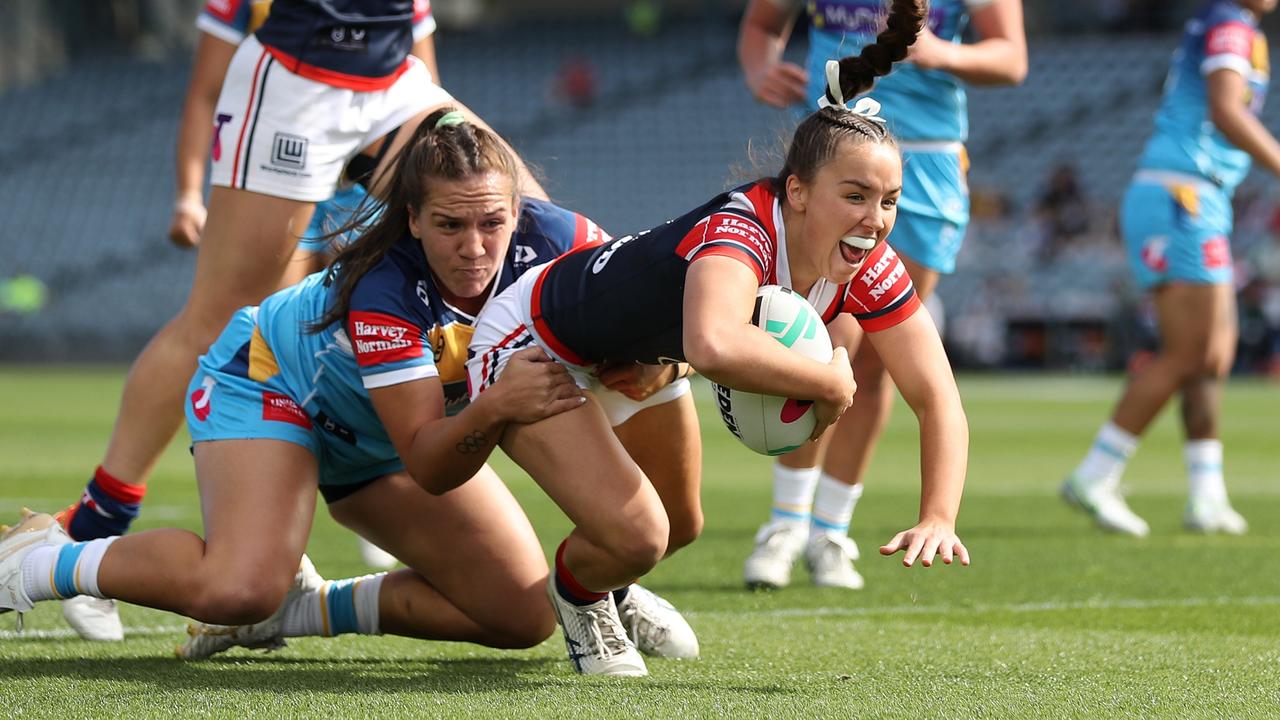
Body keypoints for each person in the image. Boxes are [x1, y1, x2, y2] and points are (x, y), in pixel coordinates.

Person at [0, 111, 690, 667]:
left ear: (519, 210)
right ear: (413, 219)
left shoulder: (568, 243)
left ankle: (304, 609)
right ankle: (41, 560)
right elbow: (429, 463)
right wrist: (497, 405)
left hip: (388, 433)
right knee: (239, 587)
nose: (475, 248)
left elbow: (637, 339)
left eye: (492, 222)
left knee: (521, 615)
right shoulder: (385, 291)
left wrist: (668, 362)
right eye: (449, 225)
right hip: (271, 388)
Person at [465, 0, 968, 678]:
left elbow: (937, 397)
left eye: (889, 201)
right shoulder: (742, 228)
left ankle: (613, 582)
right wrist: (827, 382)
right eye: (854, 196)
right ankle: (582, 595)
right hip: (532, 341)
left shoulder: (868, 263)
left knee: (679, 523)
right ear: (796, 191)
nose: (876, 220)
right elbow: (711, 343)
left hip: (626, 354)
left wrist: (938, 514)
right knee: (638, 532)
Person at [47, 0, 544, 640]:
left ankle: (608, 558)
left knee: (526, 236)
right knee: (228, 318)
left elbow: (423, 56)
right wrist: (186, 190)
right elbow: (205, 88)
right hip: (297, 83)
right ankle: (89, 528)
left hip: (393, 85)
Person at [737, 0, 1025, 590]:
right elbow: (763, 24)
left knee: (881, 358)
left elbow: (1011, 58)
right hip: (836, 154)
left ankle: (830, 533)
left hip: (927, 165)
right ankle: (786, 523)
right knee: (826, 341)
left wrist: (938, 52)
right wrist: (759, 67)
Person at [1061, 0, 1278, 537]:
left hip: (1196, 196)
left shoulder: (1234, 26)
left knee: (1213, 356)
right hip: (1183, 195)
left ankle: (1207, 495)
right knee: (1190, 353)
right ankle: (1094, 474)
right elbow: (1227, 109)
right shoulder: (1230, 25)